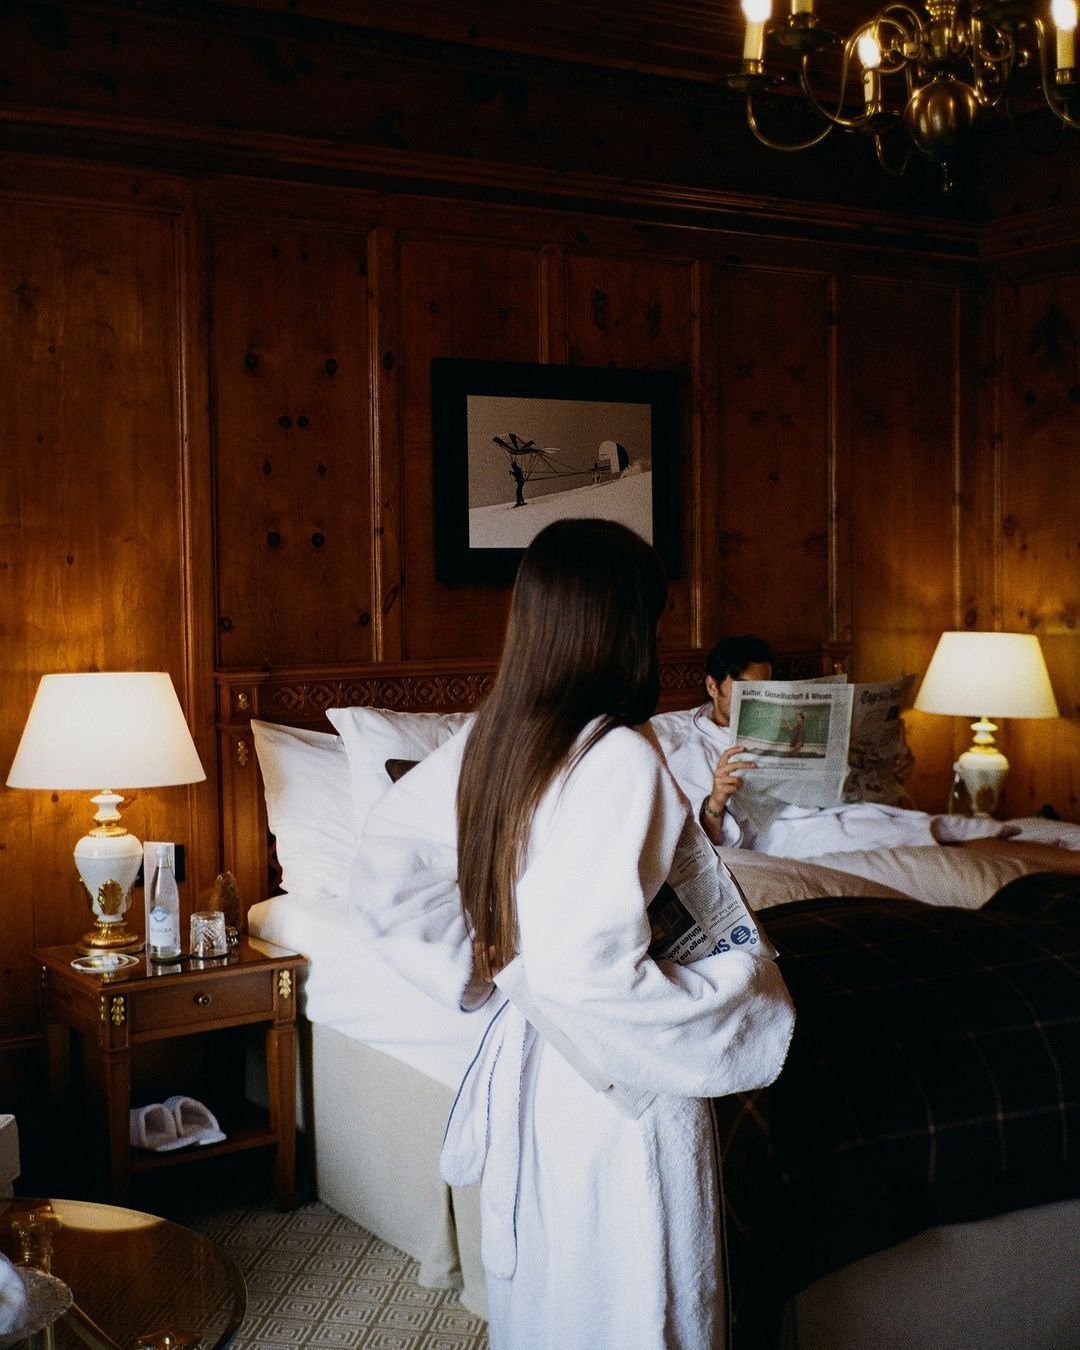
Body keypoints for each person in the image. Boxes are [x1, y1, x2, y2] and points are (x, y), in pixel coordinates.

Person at [350, 520, 795, 1350]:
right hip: (617, 1087)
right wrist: (738, 990)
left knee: (559, 1296)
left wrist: (484, 965)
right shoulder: (620, 756)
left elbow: (386, 869)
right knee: (635, 1298)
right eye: (653, 617)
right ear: (624, 625)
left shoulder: (497, 737)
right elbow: (584, 973)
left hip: (541, 1069)